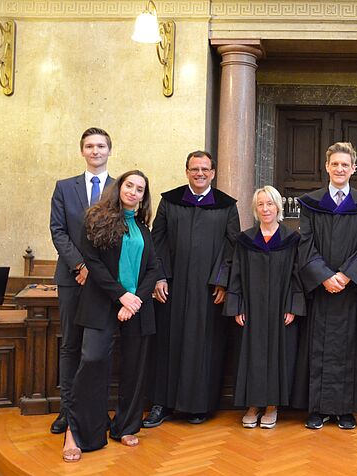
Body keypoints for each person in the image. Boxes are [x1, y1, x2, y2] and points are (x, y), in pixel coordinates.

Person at [62, 170, 159, 462]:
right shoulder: (96, 219)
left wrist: (134, 301)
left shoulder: (144, 229)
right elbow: (92, 263)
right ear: (119, 188)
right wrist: (121, 296)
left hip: (136, 307)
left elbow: (153, 268)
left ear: (144, 197)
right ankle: (76, 432)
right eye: (129, 185)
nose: (133, 192)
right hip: (102, 302)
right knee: (91, 362)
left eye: (140, 189)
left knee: (134, 368)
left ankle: (125, 426)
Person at [143, 150, 240, 427]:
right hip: (171, 288)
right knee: (166, 344)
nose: (200, 173)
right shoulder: (170, 201)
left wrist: (223, 280)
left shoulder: (226, 206)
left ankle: (200, 405)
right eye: (194, 169)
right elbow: (156, 241)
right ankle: (162, 404)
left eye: (205, 169)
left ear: (213, 173)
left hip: (208, 291)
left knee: (204, 345)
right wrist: (159, 277)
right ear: (186, 171)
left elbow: (232, 246)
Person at [291, 141, 357, 431]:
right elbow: (305, 245)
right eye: (335, 164)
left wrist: (347, 276)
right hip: (321, 290)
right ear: (326, 167)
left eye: (345, 164)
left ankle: (345, 411)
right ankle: (316, 409)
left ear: (353, 168)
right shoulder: (311, 203)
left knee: (350, 349)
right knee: (318, 348)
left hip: (351, 291)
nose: (340, 168)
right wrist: (324, 276)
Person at [49, 127, 115, 434]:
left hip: (105, 282)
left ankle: (97, 410)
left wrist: (97, 270)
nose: (96, 151)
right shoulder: (64, 187)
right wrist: (79, 264)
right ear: (82, 151)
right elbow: (58, 231)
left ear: (109, 150)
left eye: (101, 146)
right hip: (71, 278)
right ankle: (67, 411)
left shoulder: (120, 188)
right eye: (90, 146)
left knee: (100, 347)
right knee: (71, 345)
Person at [224, 186, 305, 429]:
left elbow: (296, 275)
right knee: (252, 353)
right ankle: (253, 404)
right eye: (261, 204)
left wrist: (293, 305)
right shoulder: (246, 240)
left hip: (280, 307)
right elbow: (236, 273)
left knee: (278, 353)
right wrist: (237, 305)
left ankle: (272, 405)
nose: (265, 208)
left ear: (278, 207)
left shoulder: (291, 240)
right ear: (255, 209)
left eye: (270, 204)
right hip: (252, 308)